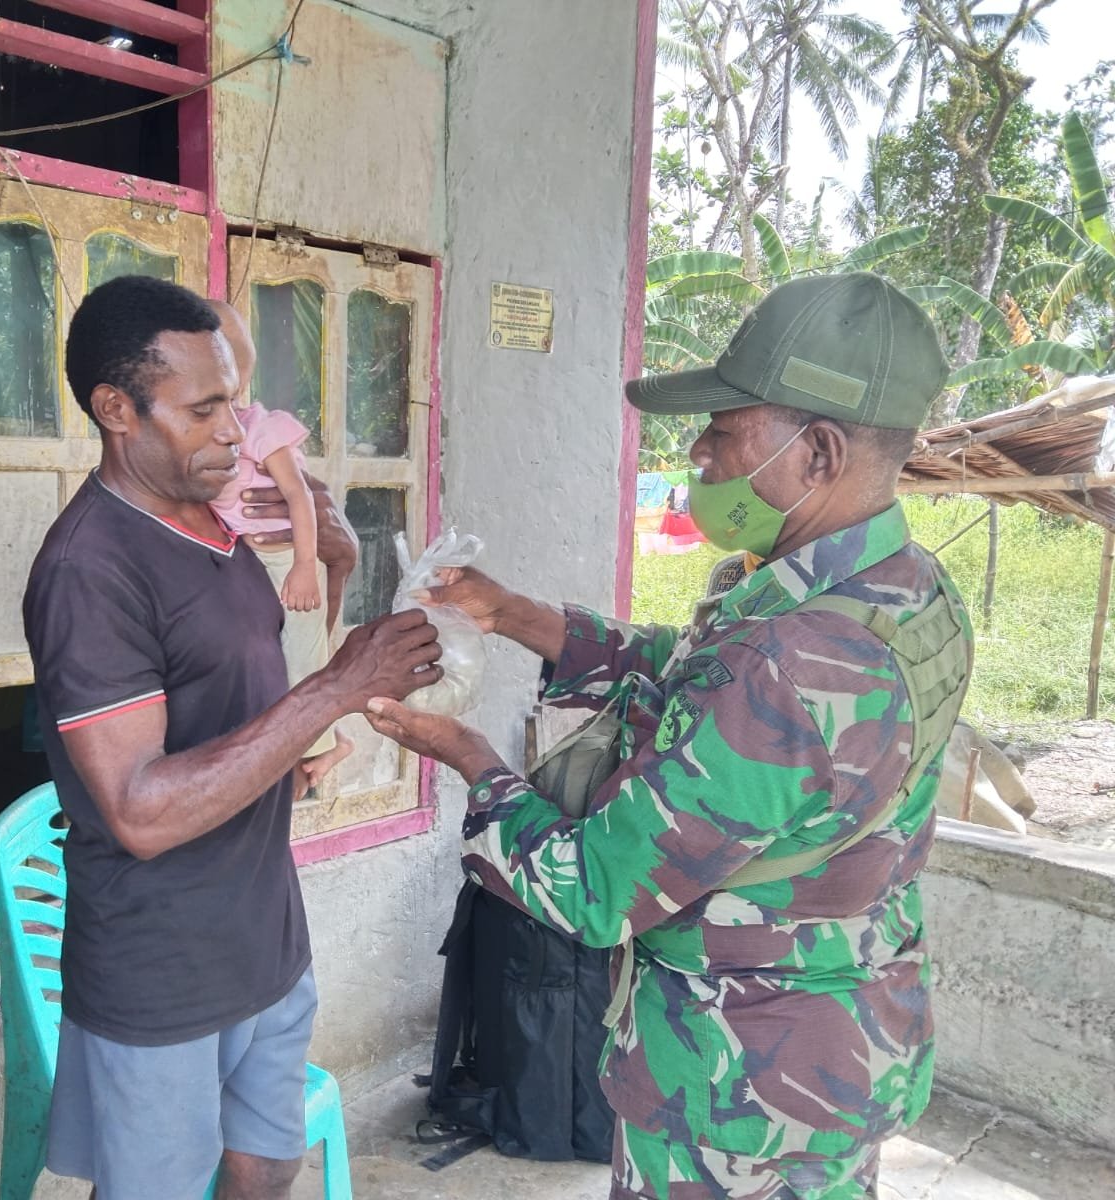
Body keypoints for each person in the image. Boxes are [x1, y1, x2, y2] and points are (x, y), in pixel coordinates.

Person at [366, 272, 974, 1200]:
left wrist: (469, 758)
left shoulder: (785, 660)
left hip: (734, 1091)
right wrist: (514, 614)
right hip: (843, 1042)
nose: (699, 451)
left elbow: (596, 890)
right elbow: (696, 673)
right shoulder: (904, 592)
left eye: (726, 429)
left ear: (818, 452)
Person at [22, 274, 441, 1200]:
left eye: (237, 404)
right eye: (203, 410)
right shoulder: (91, 570)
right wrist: (335, 690)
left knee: (267, 1166)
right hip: (163, 969)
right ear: (116, 410)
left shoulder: (218, 521)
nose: (234, 432)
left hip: (265, 935)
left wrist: (332, 558)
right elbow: (139, 811)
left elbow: (254, 676)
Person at [206, 299, 353, 787]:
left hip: (288, 561)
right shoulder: (207, 443)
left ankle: (330, 746)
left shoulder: (258, 428)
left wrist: (306, 565)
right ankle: (325, 745)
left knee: (304, 659)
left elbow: (299, 495)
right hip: (257, 563)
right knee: (285, 661)